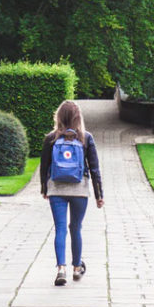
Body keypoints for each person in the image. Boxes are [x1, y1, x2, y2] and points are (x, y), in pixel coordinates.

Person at [40, 100, 103, 286]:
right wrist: (99, 195)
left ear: (59, 116)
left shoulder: (51, 138)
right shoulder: (86, 138)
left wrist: (45, 189)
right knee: (75, 228)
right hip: (79, 189)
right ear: (78, 117)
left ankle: (61, 269)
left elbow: (44, 167)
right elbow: (95, 169)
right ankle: (77, 267)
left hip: (56, 188)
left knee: (60, 228)